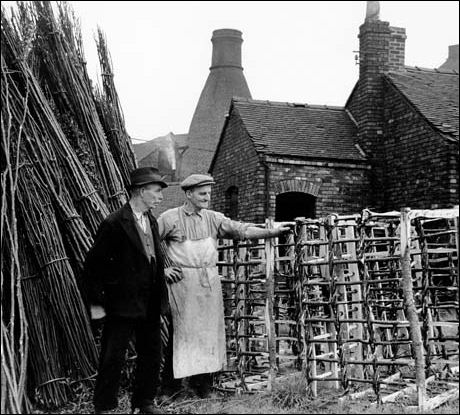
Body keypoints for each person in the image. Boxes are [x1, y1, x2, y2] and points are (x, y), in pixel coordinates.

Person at [157, 174, 291, 399]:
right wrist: (163, 270)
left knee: (209, 333)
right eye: (202, 193)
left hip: (208, 282)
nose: (207, 197)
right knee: (181, 334)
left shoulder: (213, 218)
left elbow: (242, 230)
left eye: (209, 193)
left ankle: (203, 386)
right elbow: (149, 243)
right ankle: (171, 388)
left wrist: (271, 232)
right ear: (188, 194)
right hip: (183, 285)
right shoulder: (169, 218)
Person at [83, 167, 169, 414]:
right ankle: (104, 406)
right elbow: (93, 268)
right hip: (121, 303)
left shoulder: (150, 220)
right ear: (142, 192)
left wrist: (161, 299)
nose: (160, 197)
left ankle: (144, 402)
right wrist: (97, 305)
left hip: (150, 302)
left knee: (152, 354)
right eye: (156, 192)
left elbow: (154, 260)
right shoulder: (114, 223)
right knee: (113, 357)